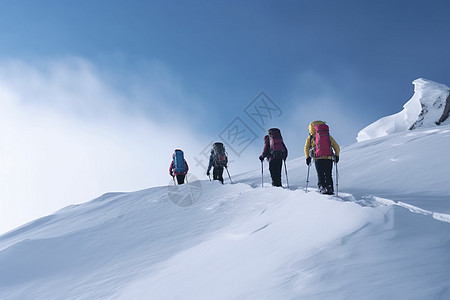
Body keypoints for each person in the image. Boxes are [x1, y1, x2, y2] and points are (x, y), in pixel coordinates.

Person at [304, 121, 340, 195]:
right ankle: (330, 188)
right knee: (328, 174)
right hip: (328, 158)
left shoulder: (311, 137)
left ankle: (322, 188)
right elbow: (336, 146)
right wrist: (337, 155)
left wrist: (307, 157)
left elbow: (306, 147)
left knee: (320, 174)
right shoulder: (327, 135)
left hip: (318, 158)